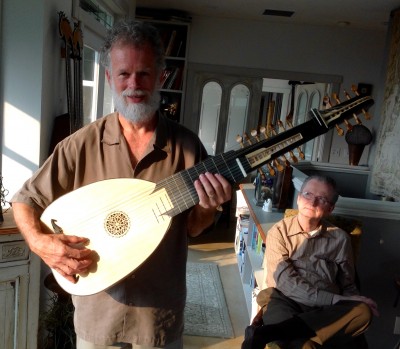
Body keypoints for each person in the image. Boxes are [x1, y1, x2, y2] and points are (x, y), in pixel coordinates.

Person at [11, 20, 231, 349]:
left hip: (158, 318)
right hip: (98, 316)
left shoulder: (187, 146)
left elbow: (194, 229)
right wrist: (39, 242)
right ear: (111, 78)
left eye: (144, 73)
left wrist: (207, 206)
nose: (134, 84)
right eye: (124, 74)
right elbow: (25, 199)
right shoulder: (81, 144)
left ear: (161, 77)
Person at [242, 175, 378, 349]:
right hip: (285, 301)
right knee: (306, 347)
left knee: (363, 312)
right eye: (307, 194)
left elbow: (348, 282)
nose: (312, 202)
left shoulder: (340, 239)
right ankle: (285, 332)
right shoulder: (279, 232)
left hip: (324, 311)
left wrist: (354, 301)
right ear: (298, 198)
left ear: (330, 208)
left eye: (321, 199)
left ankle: (269, 333)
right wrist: (334, 300)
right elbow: (288, 284)